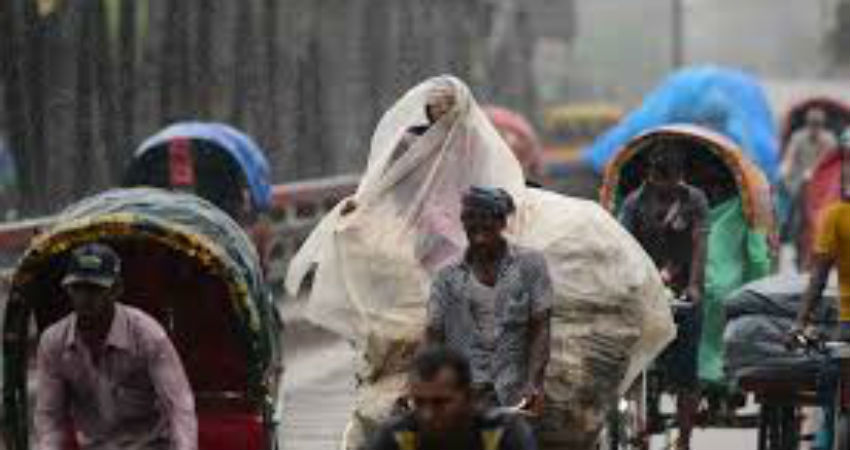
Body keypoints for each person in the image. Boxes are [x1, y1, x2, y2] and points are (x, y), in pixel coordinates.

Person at [34, 243, 197, 450]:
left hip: (151, 444)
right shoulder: (53, 342)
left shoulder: (147, 334)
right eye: (78, 288)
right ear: (67, 289)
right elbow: (49, 418)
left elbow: (179, 407)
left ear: (116, 289)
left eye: (95, 289)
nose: (85, 298)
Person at [425, 186, 552, 412]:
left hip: (512, 392)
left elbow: (540, 328)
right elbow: (433, 335)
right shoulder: (447, 277)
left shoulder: (530, 265)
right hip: (462, 394)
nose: (479, 225)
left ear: (502, 223)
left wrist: (535, 383)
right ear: (463, 223)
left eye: (487, 217)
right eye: (471, 218)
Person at [618, 143, 709, 450]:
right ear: (651, 176)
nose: (668, 186)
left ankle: (684, 440)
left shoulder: (694, 200)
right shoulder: (633, 204)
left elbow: (700, 243)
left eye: (673, 179)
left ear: (681, 177)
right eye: (661, 179)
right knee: (627, 363)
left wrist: (694, 285)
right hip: (644, 289)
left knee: (686, 373)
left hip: (683, 292)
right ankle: (633, 426)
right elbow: (623, 246)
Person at [792, 128, 850, 450]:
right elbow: (818, 276)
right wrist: (800, 322)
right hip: (847, 323)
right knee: (828, 377)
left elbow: (818, 276)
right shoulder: (834, 216)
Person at [367, 346, 538, 450]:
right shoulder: (398, 436)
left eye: (440, 402)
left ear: (469, 397)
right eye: (419, 402)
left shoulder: (501, 433)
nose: (428, 414)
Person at [782, 107, 838, 195]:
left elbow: (829, 160)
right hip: (800, 176)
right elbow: (790, 156)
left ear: (822, 125)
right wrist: (785, 169)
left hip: (823, 177)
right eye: (812, 123)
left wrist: (813, 171)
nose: (814, 127)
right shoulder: (798, 137)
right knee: (791, 187)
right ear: (807, 124)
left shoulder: (829, 139)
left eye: (818, 124)